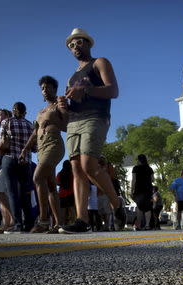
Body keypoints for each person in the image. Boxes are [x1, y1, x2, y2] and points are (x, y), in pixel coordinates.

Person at [59, 28, 119, 234]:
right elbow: (73, 104)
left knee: (89, 164)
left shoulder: (100, 62)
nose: (75, 47)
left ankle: (116, 203)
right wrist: (64, 106)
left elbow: (113, 91)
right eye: (71, 45)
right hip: (74, 122)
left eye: (78, 42)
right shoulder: (71, 77)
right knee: (76, 168)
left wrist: (84, 90)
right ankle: (81, 220)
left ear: (88, 43)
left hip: (96, 116)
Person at [21, 76, 68, 233]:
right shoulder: (40, 112)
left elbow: (67, 124)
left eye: (48, 87)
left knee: (37, 177)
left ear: (55, 89)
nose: (45, 90)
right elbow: (35, 133)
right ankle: (59, 224)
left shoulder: (59, 104)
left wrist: (54, 122)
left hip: (54, 145)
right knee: (50, 186)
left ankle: (43, 220)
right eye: (42, 88)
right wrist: (25, 149)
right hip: (41, 148)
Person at [0, 102, 35, 233]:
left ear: (13, 110)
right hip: (25, 162)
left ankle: (18, 225)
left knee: (12, 193)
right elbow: (35, 148)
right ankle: (29, 224)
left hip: (9, 159)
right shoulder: (30, 125)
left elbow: (1, 143)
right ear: (25, 112)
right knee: (25, 193)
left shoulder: (6, 122)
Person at [131, 154, 154, 230]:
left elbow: (133, 180)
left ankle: (139, 225)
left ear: (139, 160)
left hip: (139, 190)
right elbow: (152, 179)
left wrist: (132, 190)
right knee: (148, 207)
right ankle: (147, 225)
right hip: (148, 190)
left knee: (139, 207)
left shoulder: (135, 168)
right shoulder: (149, 169)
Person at [56, 160, 75, 225]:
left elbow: (57, 183)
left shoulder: (59, 173)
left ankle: (62, 224)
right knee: (72, 209)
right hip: (71, 193)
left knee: (62, 211)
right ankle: (73, 223)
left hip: (62, 194)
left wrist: (62, 184)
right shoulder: (72, 173)